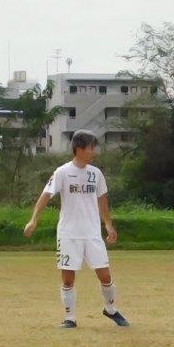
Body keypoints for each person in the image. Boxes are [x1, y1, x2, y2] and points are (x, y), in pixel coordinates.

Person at [23, 129, 129, 329]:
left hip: (92, 234)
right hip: (69, 234)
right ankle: (69, 318)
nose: (94, 152)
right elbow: (46, 195)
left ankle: (110, 309)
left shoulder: (96, 174)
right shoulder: (62, 172)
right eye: (91, 148)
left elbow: (102, 199)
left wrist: (108, 225)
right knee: (68, 278)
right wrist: (33, 220)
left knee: (105, 275)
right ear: (79, 149)